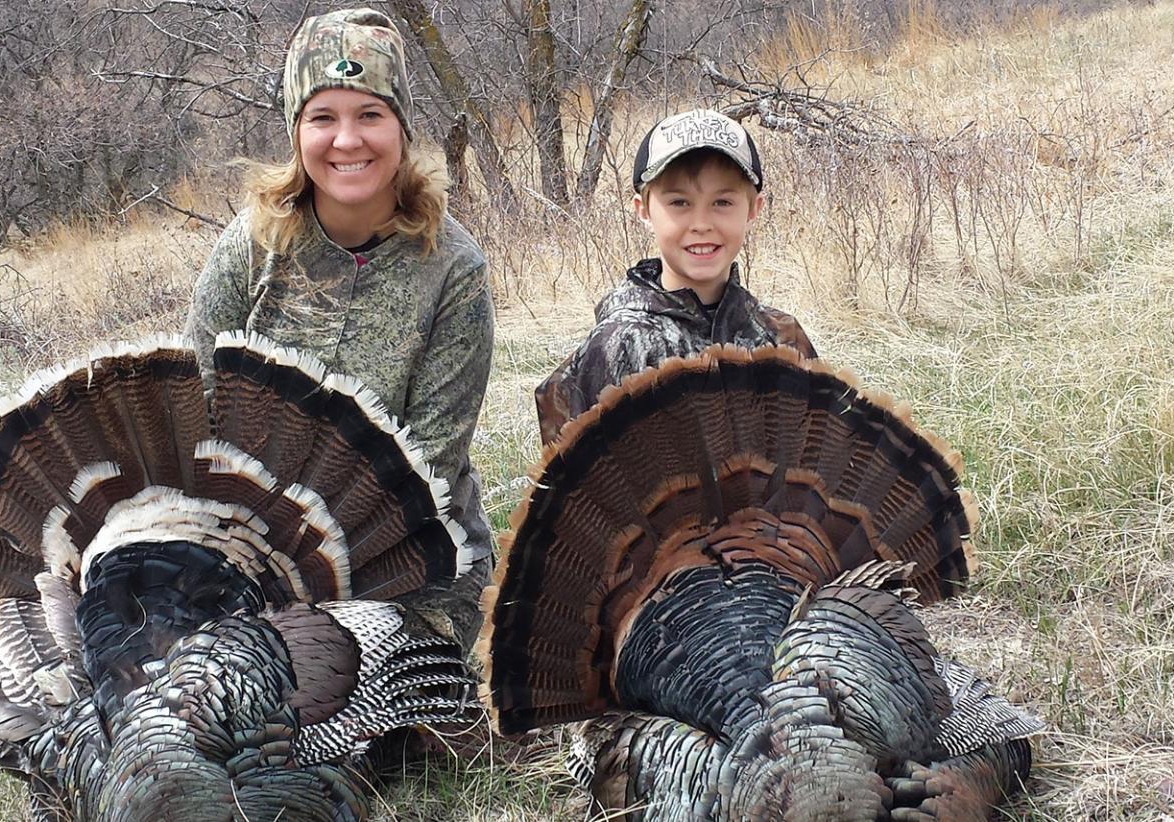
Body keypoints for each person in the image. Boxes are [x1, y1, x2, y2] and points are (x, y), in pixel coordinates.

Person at [186, 7, 493, 639]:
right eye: (323, 117)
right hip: (252, 553)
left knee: (365, 711)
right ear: (296, 132)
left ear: (402, 128)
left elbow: (430, 465)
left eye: (370, 115)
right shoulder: (250, 247)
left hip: (409, 561)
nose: (347, 141)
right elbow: (198, 411)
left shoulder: (454, 270)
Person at [532, 109, 818, 445]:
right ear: (643, 210)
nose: (701, 223)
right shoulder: (618, 346)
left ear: (754, 208)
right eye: (679, 202)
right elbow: (579, 488)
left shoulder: (780, 337)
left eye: (722, 202)